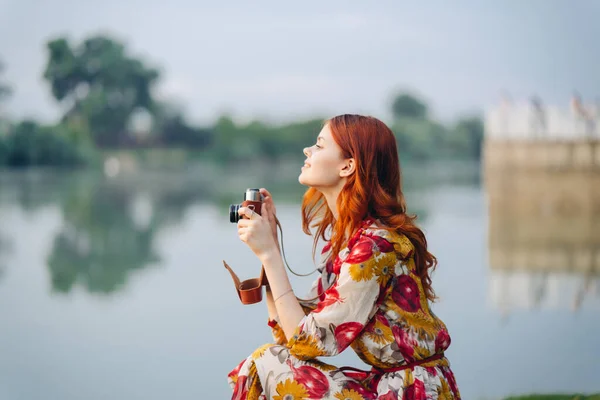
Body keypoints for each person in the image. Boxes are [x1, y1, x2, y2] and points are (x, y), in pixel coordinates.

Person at [228, 114, 461, 399]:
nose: (307, 150)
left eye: (319, 145)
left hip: (413, 392)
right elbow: (293, 332)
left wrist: (271, 254)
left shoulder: (376, 246)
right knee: (266, 361)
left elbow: (308, 342)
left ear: (348, 166)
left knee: (265, 363)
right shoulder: (348, 243)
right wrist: (269, 252)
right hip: (389, 385)